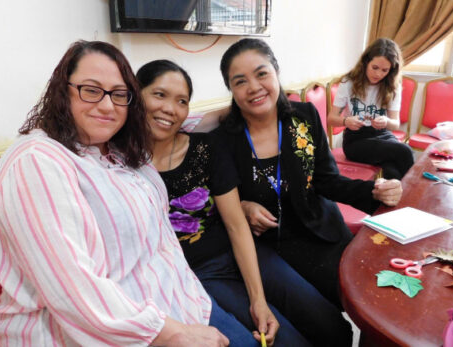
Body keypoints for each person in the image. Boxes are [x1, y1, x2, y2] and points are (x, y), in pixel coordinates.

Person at [0, 40, 254, 347]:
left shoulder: (120, 151)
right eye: (90, 90)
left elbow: (177, 121)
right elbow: (72, 289)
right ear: (62, 91)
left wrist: (235, 110)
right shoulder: (37, 161)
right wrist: (172, 333)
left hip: (181, 299)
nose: (106, 105)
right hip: (105, 331)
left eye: (118, 94)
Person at [137, 59, 344, 346]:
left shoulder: (205, 148)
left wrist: (258, 300)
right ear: (136, 95)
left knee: (332, 326)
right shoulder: (122, 166)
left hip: (241, 251)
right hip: (194, 275)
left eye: (181, 100)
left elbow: (236, 225)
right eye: (159, 95)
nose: (170, 109)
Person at [213, 38, 404, 345]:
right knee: (330, 329)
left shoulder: (303, 117)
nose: (254, 87)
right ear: (232, 90)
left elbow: (327, 180)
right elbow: (220, 200)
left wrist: (375, 191)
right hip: (274, 247)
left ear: (276, 72)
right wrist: (244, 206)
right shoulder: (224, 138)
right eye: (240, 81)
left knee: (372, 309)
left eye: (261, 74)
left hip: (321, 231)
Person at [327, 38, 414, 179]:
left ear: (391, 70)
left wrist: (386, 121)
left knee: (392, 168)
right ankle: (410, 197)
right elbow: (331, 119)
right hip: (355, 141)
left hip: (382, 135)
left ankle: (390, 200)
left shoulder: (393, 86)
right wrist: (346, 121)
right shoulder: (348, 82)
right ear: (366, 62)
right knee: (405, 151)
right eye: (375, 68)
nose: (378, 74)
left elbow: (395, 123)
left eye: (385, 70)